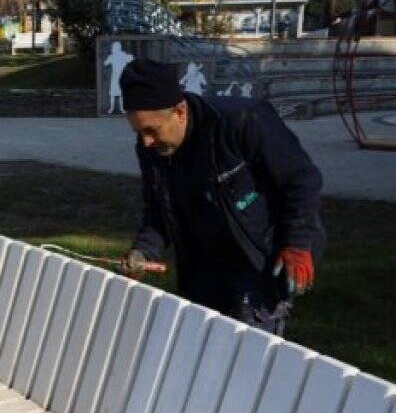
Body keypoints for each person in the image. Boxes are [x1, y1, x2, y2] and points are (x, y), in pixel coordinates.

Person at [119, 59, 323, 336]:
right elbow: (157, 209)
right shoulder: (152, 148)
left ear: (179, 112)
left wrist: (297, 243)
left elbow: (301, 179)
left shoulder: (242, 120)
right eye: (139, 132)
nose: (145, 142)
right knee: (202, 346)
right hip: (201, 265)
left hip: (257, 257)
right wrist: (143, 250)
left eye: (151, 130)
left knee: (248, 349)